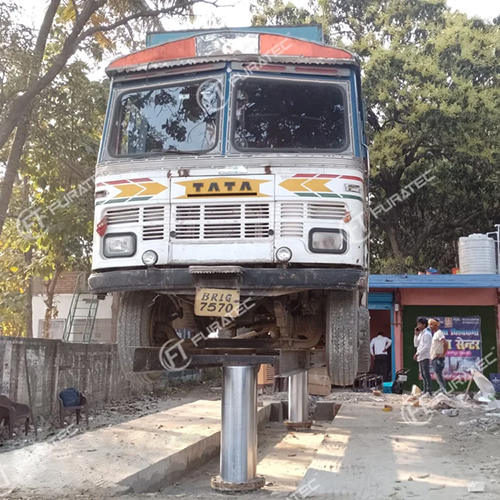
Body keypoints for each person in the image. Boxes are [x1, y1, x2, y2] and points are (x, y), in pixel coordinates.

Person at [413, 317, 433, 397]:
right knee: (423, 374)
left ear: (424, 325)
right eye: (417, 324)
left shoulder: (427, 334)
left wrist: (417, 353)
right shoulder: (421, 334)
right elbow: (416, 344)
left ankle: (429, 391)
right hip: (421, 357)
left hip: (425, 356)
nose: (418, 326)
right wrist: (416, 335)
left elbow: (426, 347)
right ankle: (425, 390)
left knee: (426, 374)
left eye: (419, 324)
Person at [429, 318, 448, 394]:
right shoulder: (435, 334)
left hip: (438, 359)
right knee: (436, 374)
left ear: (436, 325)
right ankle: (442, 389)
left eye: (432, 325)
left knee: (438, 374)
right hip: (434, 358)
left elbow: (445, 343)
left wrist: (443, 354)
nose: (430, 326)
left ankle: (443, 390)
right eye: (430, 325)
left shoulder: (439, 333)